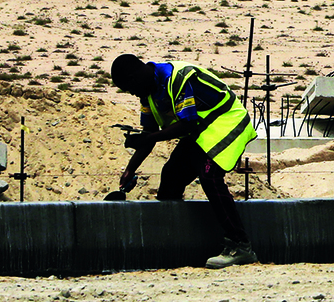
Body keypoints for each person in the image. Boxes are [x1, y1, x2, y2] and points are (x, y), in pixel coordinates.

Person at [109, 53, 258, 269]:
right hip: (201, 131)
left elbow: (186, 124)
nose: (131, 93)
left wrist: (148, 138)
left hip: (226, 121)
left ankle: (240, 246)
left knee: (209, 175)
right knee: (171, 176)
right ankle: (174, 240)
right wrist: (130, 170)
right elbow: (149, 134)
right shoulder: (147, 95)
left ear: (135, 77)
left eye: (129, 88)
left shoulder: (176, 78)